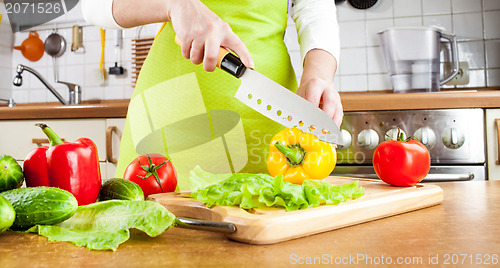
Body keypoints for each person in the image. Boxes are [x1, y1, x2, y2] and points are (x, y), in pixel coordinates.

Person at [81, 0, 342, 189]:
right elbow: (94, 6)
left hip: (266, 110)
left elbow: (315, 8)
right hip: (170, 108)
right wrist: (174, 4)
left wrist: (318, 73)